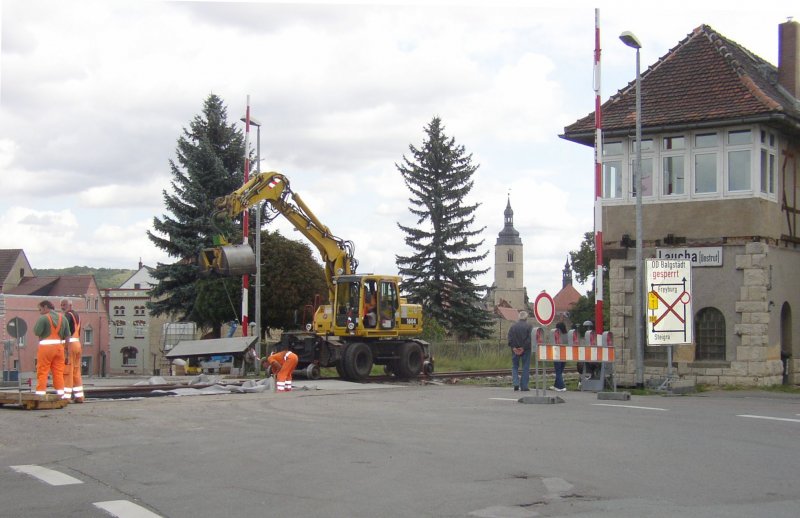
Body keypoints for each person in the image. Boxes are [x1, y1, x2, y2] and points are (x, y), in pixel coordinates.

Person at [32, 300, 70, 398]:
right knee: (58, 373)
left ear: (45, 307)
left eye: (40, 309)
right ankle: (61, 395)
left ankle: (40, 395)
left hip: (46, 349)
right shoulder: (63, 318)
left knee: (43, 371)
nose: (39, 311)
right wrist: (66, 351)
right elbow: (67, 336)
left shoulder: (43, 318)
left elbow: (36, 332)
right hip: (59, 350)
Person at [60, 298, 84, 403]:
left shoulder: (67, 316)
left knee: (67, 372)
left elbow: (64, 332)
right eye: (61, 305)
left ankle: (66, 397)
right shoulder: (77, 315)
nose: (62, 307)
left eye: (64, 304)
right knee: (76, 372)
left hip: (69, 346)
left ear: (70, 305)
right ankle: (79, 396)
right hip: (77, 345)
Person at [508, 310, 533, 391]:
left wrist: (514, 347)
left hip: (515, 350)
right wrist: (523, 348)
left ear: (519, 317)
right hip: (526, 350)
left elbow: (510, 338)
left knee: (515, 366)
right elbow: (530, 339)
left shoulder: (513, 326)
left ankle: (516, 383)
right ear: (526, 317)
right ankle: (524, 386)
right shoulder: (529, 326)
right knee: (525, 366)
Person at [550, 322, 567, 392]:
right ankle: (556, 385)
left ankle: (561, 386)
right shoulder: (566, 335)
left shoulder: (557, 334)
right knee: (560, 370)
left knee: (558, 371)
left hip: (557, 354)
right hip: (565, 355)